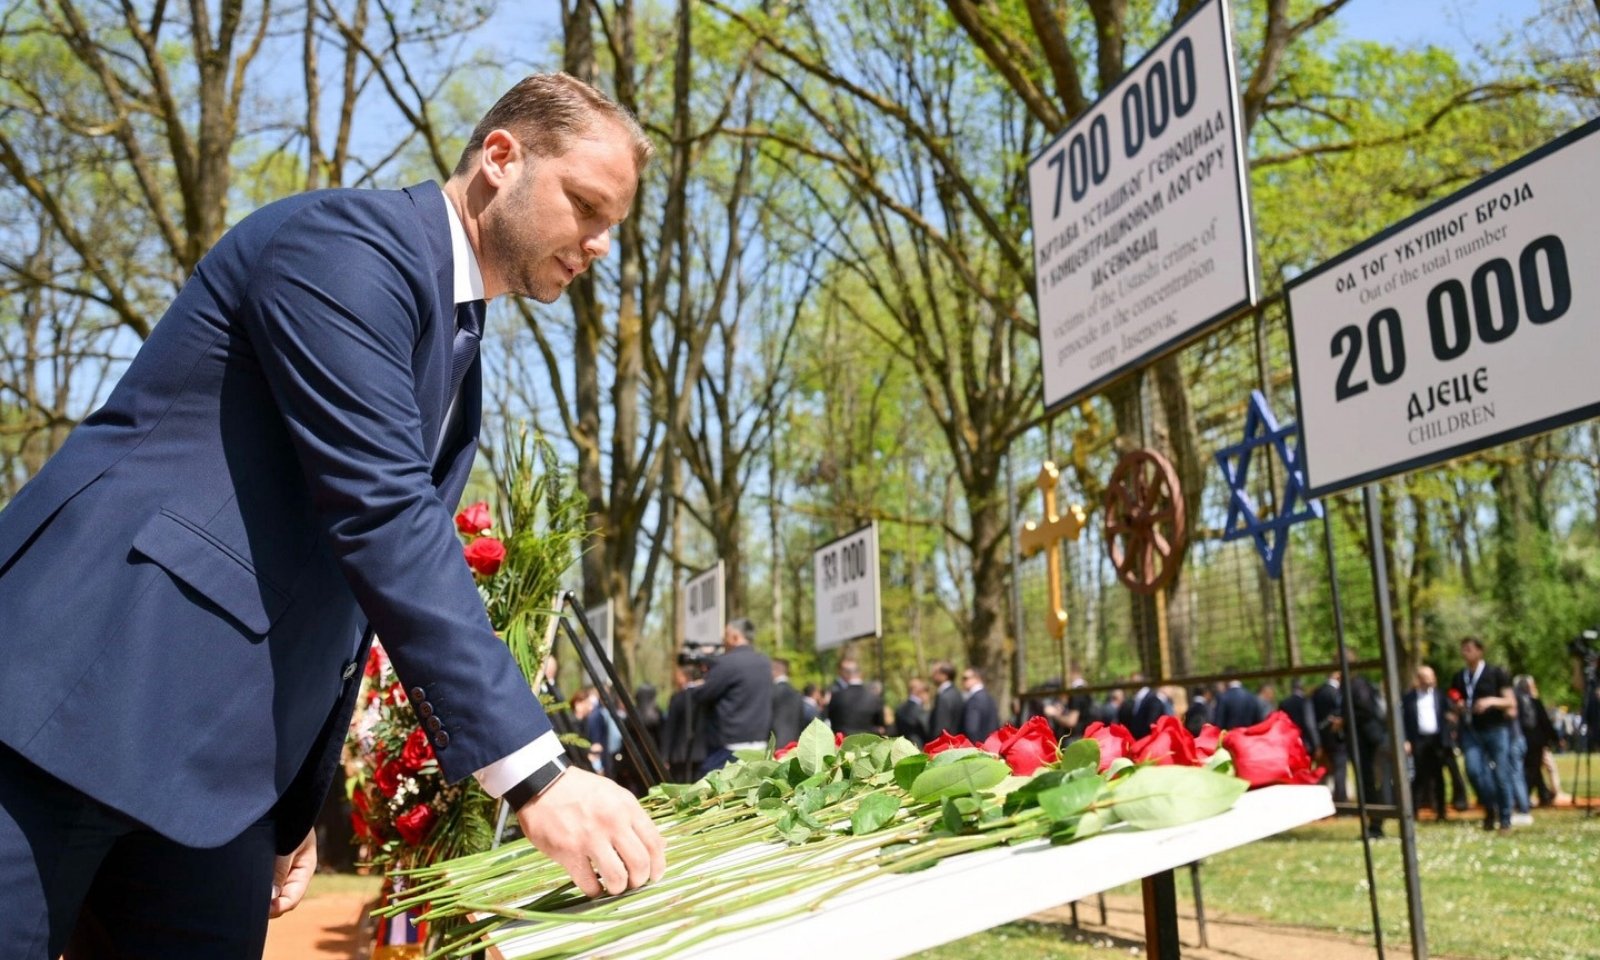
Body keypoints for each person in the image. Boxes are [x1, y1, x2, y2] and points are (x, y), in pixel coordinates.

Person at [0, 73, 666, 955]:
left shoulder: (456, 347)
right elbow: (382, 515)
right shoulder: (348, 245)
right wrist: (536, 775)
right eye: (586, 205)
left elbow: (342, 597)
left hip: (217, 786)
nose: (600, 243)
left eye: (613, 223)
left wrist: (290, 798)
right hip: (68, 697)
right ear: (502, 158)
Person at [1450, 636, 1518, 832]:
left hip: (1496, 729)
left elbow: (1510, 702)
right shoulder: (1459, 677)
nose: (1465, 653)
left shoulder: (1496, 673)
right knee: (1473, 771)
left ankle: (1505, 818)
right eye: (1463, 649)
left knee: (1501, 773)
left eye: (1469, 649)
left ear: (1480, 651)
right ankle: (1490, 807)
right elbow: (1454, 698)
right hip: (1471, 730)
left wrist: (1490, 701)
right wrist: (1458, 706)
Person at [691, 618, 773, 774]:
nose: (723, 642)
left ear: (735, 637)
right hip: (760, 744)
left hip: (729, 749)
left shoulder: (726, 663)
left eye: (725, 637)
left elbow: (702, 695)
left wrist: (698, 680)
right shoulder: (764, 663)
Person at [1403, 666, 1450, 820]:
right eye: (1427, 677)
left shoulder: (1440, 696)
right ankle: (1414, 811)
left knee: (1438, 776)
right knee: (1418, 776)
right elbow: (1404, 721)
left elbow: (1448, 715)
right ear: (1419, 679)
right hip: (1418, 740)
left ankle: (1441, 811)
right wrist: (1406, 740)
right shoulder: (1409, 698)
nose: (1430, 680)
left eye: (1432, 677)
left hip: (1436, 740)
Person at [1514, 675, 1559, 809]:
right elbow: (1545, 722)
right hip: (1535, 742)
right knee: (1532, 770)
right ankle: (1523, 798)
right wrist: (1555, 738)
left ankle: (1543, 794)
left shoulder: (1515, 703)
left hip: (1522, 740)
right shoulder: (1534, 702)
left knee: (1533, 770)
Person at [827, 660, 884, 736]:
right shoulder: (874, 698)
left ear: (846, 674)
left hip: (844, 741)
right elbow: (880, 724)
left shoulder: (836, 696)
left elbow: (830, 719)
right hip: (867, 741)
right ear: (860, 674)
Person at [769, 658, 806, 747]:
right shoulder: (797, 693)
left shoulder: (770, 692)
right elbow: (801, 720)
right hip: (793, 744)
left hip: (774, 744)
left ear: (774, 671)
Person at [960, 666, 1002, 744]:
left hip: (977, 746)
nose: (963, 681)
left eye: (966, 678)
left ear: (977, 678)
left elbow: (971, 729)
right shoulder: (989, 697)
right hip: (990, 745)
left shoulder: (974, 699)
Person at [927, 660, 964, 741]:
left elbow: (941, 728)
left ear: (944, 675)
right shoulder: (957, 693)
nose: (931, 675)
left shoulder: (944, 697)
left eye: (935, 672)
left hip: (945, 744)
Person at [894, 678, 931, 747]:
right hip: (919, 746)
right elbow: (927, 728)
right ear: (916, 690)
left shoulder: (900, 708)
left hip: (903, 746)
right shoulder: (919, 709)